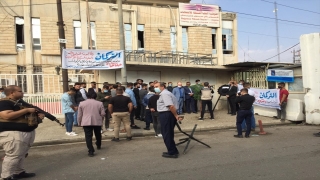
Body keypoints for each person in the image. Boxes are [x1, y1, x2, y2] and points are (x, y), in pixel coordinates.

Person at [0, 85, 45, 180]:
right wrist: (27, 110)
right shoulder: (4, 102)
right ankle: (5, 177)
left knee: (21, 154)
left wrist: (38, 116)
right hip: (13, 134)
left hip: (25, 133)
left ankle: (18, 172)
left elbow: (25, 116)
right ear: (12, 93)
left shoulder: (18, 103)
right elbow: (7, 115)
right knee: (13, 155)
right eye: (20, 91)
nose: (22, 93)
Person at [156, 82, 181, 158]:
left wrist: (176, 115)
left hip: (166, 114)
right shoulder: (165, 93)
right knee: (169, 133)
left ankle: (172, 152)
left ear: (162, 86)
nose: (155, 88)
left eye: (156, 86)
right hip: (167, 114)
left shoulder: (164, 94)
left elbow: (171, 106)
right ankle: (173, 150)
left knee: (166, 134)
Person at [77, 91, 105, 157]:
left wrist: (79, 122)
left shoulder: (82, 103)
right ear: (95, 96)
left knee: (88, 136)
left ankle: (91, 150)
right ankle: (98, 144)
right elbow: (103, 114)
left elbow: (79, 115)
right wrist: (101, 119)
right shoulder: (100, 103)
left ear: (87, 96)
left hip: (86, 122)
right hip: (97, 121)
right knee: (98, 134)